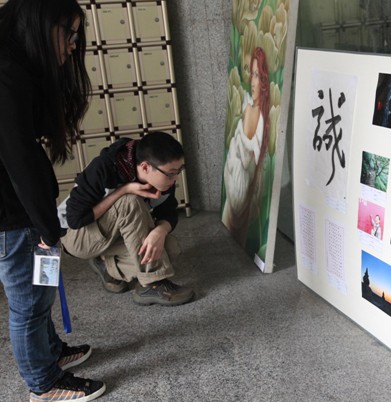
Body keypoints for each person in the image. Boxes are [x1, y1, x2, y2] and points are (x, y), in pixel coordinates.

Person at [0, 0, 106, 400]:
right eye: (70, 33)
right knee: (28, 302)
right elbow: (19, 157)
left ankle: (50, 353)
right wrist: (47, 224)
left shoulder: (14, 67)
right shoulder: (5, 74)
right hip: (12, 213)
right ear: (41, 27)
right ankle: (43, 384)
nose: (74, 45)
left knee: (38, 294)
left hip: (20, 207)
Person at [59, 132, 194, 307]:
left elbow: (168, 212)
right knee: (130, 201)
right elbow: (75, 219)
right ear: (145, 167)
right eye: (171, 174)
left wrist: (160, 231)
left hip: (113, 234)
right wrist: (124, 190)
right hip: (76, 236)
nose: (175, 179)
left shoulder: (164, 179)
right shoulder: (104, 167)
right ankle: (151, 284)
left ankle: (107, 265)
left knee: (169, 247)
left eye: (179, 171)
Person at [222, 47, 271, 247]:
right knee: (232, 233)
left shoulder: (258, 115)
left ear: (265, 81)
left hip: (242, 188)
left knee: (237, 234)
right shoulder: (249, 108)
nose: (252, 81)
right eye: (252, 74)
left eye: (257, 76)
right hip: (237, 184)